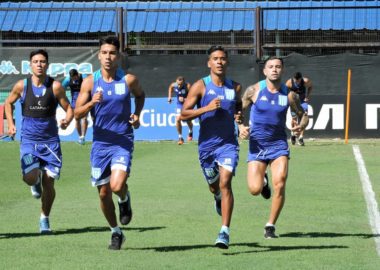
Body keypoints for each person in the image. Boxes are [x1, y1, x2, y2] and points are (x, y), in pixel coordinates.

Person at [74, 36, 145, 250]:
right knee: (103, 193)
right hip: (100, 145)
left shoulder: (128, 80)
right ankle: (116, 232)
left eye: (112, 53)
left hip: (122, 141)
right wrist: (91, 103)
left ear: (119, 56)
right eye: (104, 53)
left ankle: (124, 198)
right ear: (99, 55)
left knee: (116, 185)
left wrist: (136, 115)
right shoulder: (89, 82)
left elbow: (140, 95)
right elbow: (76, 113)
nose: (108, 57)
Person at [4, 49, 73, 234]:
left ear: (47, 64)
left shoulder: (56, 86)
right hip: (28, 142)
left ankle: (44, 219)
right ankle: (34, 181)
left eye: (42, 61)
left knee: (49, 183)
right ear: (30, 65)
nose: (39, 64)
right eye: (35, 61)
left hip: (51, 143)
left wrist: (67, 120)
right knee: (30, 177)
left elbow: (69, 108)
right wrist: (11, 124)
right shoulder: (22, 86)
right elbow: (8, 103)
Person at [181, 45, 243, 249]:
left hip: (228, 144)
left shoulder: (235, 87)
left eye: (223, 58)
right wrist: (207, 108)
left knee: (226, 183)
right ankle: (216, 196)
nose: (219, 61)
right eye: (215, 58)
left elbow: (239, 107)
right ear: (209, 62)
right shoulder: (200, 86)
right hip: (207, 146)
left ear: (227, 62)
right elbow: (184, 114)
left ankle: (224, 231)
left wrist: (240, 120)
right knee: (214, 185)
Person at [239, 56, 308, 239]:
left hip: (278, 145)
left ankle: (270, 226)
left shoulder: (290, 95)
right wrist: (240, 127)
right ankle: (263, 182)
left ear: (282, 70)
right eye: (271, 66)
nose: (274, 69)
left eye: (278, 66)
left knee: (281, 183)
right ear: (265, 71)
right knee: (254, 190)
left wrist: (301, 126)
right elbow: (237, 111)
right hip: (257, 145)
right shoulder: (253, 91)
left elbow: (304, 115)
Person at [62, 69, 88, 145]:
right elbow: (61, 88)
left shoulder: (83, 77)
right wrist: (65, 98)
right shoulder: (67, 79)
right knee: (77, 119)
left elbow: (90, 85)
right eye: (73, 78)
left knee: (84, 118)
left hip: (84, 99)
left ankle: (83, 136)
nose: (74, 79)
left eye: (75, 77)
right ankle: (80, 137)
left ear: (77, 75)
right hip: (74, 101)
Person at [285, 72, 312, 146]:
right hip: (294, 103)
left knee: (304, 118)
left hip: (303, 102)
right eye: (295, 80)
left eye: (298, 80)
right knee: (294, 119)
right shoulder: (289, 82)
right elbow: (284, 91)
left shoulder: (306, 81)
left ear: (301, 78)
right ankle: (293, 135)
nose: (297, 81)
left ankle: (301, 137)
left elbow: (310, 87)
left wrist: (307, 96)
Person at [167, 76, 193, 145]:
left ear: (184, 82)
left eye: (180, 84)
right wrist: (169, 97)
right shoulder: (174, 85)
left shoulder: (188, 86)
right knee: (178, 119)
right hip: (179, 105)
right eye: (178, 84)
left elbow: (192, 97)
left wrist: (185, 99)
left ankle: (190, 131)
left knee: (187, 120)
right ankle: (180, 137)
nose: (179, 85)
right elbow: (170, 88)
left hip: (187, 105)